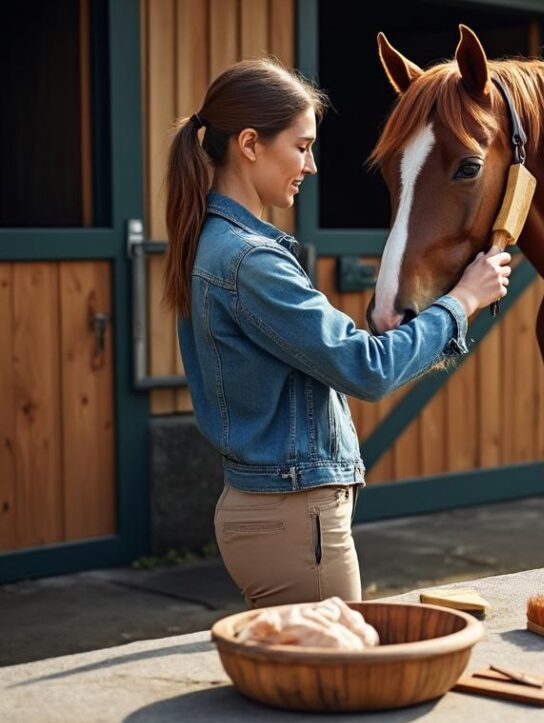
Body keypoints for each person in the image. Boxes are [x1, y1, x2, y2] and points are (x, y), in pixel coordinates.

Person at [162, 58, 510, 608]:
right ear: (250, 144)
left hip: (278, 516)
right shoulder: (249, 260)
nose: (312, 165)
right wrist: (462, 302)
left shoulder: (219, 244)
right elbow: (364, 369)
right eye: (302, 147)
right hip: (293, 523)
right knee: (331, 677)